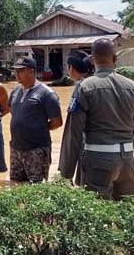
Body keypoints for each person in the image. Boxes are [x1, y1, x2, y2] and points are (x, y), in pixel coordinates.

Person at [59, 39, 134, 200]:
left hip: (97, 162)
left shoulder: (85, 87)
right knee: (129, 213)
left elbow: (73, 133)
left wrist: (66, 173)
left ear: (92, 60)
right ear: (115, 59)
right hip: (128, 160)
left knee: (98, 216)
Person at [9, 57, 63, 183]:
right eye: (16, 71)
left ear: (31, 72)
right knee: (15, 185)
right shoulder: (16, 91)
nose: (16, 74)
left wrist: (37, 127)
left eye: (21, 71)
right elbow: (13, 111)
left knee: (37, 188)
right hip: (16, 149)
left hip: (36, 150)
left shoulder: (47, 94)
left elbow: (57, 122)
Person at [58, 50, 94, 185]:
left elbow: (73, 132)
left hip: (90, 153)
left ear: (71, 68)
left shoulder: (81, 88)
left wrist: (66, 173)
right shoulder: (105, 83)